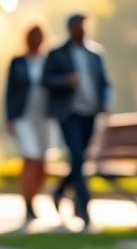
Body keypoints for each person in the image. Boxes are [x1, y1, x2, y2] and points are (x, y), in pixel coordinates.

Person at [42, 13, 111, 229]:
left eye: (84, 27)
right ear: (70, 28)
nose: (82, 30)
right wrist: (65, 80)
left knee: (79, 160)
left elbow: (104, 83)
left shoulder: (95, 54)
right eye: (78, 27)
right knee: (77, 155)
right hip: (69, 113)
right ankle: (83, 208)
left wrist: (104, 102)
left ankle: (61, 190)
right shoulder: (57, 54)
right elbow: (45, 80)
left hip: (90, 113)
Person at [4, 24, 51, 223]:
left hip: (45, 118)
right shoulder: (18, 62)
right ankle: (27, 202)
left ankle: (34, 197)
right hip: (24, 117)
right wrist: (10, 118)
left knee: (41, 164)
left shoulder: (49, 61)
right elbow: (9, 92)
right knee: (30, 158)